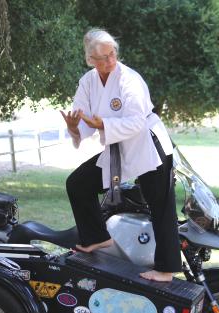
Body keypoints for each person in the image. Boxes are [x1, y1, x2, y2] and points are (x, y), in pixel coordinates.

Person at [60, 29, 181, 282]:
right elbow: (82, 120)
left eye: (112, 54)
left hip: (148, 143)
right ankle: (97, 237)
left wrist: (102, 124)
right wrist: (74, 127)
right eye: (102, 57)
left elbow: (136, 122)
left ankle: (166, 269)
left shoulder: (129, 79)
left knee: (160, 203)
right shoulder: (88, 82)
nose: (109, 61)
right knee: (78, 183)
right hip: (120, 146)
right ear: (90, 59)